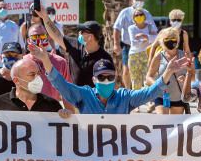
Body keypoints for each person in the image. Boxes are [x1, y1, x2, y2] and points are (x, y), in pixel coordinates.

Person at [35, 48, 188, 114]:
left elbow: (150, 92)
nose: (106, 80)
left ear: (116, 79)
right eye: (101, 77)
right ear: (94, 80)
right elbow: (61, 85)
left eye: (110, 77)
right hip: (90, 157)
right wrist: (45, 60)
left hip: (116, 160)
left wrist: (168, 71)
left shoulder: (125, 97)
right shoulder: (84, 95)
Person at [39, 10, 112, 87]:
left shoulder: (105, 58)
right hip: (72, 97)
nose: (79, 33)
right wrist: (45, 17)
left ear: (90, 37)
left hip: (91, 98)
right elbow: (56, 35)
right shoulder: (75, 45)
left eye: (82, 32)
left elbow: (108, 84)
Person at [113, 0, 158, 87]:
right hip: (128, 46)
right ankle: (128, 92)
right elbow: (116, 28)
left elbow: (154, 31)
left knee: (146, 71)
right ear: (132, 1)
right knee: (126, 70)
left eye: (141, 0)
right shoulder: (125, 12)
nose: (139, 2)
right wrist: (116, 44)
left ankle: (144, 93)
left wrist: (148, 39)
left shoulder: (146, 13)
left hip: (145, 48)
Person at [146, 27, 192, 114]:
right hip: (161, 96)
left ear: (177, 40)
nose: (170, 41)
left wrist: (185, 78)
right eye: (167, 39)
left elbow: (192, 76)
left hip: (178, 97)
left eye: (173, 38)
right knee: (163, 123)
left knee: (175, 126)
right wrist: (159, 85)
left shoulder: (184, 56)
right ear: (162, 41)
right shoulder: (158, 57)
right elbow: (148, 77)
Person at [24, 23, 71, 102]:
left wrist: (69, 111)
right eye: (35, 37)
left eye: (42, 36)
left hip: (53, 110)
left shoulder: (61, 62)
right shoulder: (23, 62)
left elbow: (67, 90)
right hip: (30, 111)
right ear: (28, 40)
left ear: (48, 38)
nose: (39, 40)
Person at [126, 8, 155, 90]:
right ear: (133, 18)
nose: (139, 16)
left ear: (144, 16)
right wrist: (147, 39)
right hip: (134, 55)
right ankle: (136, 100)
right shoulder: (131, 28)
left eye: (141, 14)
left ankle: (148, 100)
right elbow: (134, 43)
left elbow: (156, 39)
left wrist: (144, 36)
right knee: (135, 79)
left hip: (147, 54)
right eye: (136, 15)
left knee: (147, 77)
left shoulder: (150, 26)